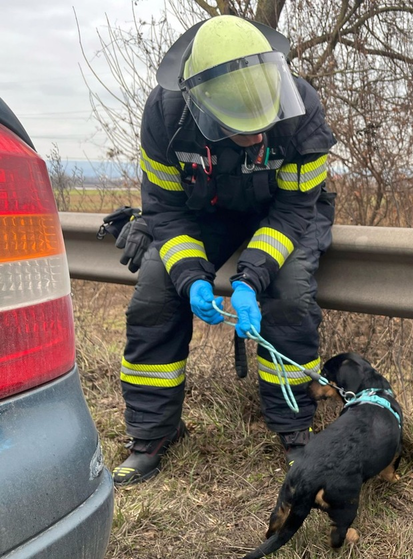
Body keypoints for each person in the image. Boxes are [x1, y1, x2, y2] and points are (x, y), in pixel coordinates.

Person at [112, 15, 336, 485]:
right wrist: (191, 277)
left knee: (290, 293)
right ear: (204, 106)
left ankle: (295, 431)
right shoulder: (166, 117)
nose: (258, 138)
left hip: (283, 212)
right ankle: (153, 433)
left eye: (263, 124)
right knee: (156, 289)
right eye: (243, 128)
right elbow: (166, 210)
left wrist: (250, 279)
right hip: (205, 212)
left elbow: (295, 211)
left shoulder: (302, 112)